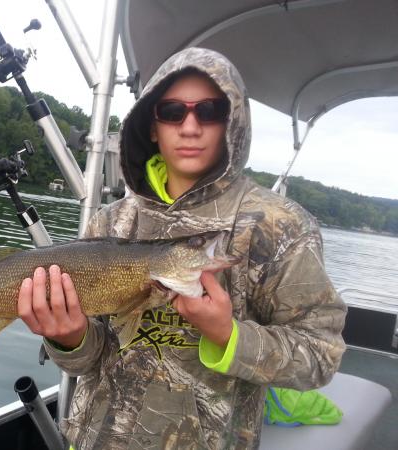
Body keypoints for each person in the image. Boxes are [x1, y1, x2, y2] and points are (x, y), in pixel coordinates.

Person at [17, 47, 346, 449]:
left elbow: (321, 354)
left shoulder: (280, 225)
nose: (190, 127)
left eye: (209, 111)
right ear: (153, 126)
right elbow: (89, 360)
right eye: (172, 111)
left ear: (232, 122)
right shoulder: (111, 221)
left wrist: (228, 335)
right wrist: (69, 339)